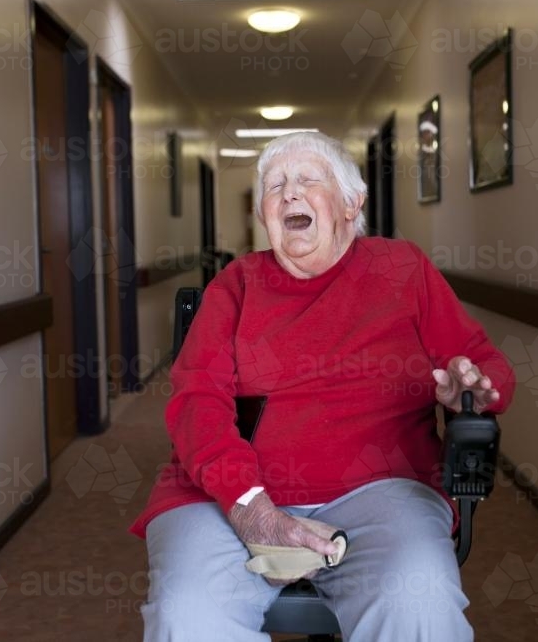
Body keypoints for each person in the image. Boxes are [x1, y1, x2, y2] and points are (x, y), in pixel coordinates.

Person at [131, 131, 515, 641]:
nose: (288, 193)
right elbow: (197, 401)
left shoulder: (402, 270)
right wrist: (252, 510)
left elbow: (486, 364)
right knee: (189, 614)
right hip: (233, 495)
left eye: (307, 179)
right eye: (274, 186)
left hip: (383, 489)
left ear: (352, 203)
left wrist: (475, 385)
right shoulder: (236, 285)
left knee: (416, 599)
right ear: (263, 213)